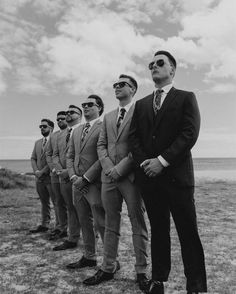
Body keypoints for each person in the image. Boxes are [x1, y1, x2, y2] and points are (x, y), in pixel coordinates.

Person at [129, 50, 207, 294]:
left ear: (172, 70)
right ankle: (158, 280)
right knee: (159, 231)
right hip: (149, 180)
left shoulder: (185, 98)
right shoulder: (141, 105)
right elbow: (134, 140)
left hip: (178, 178)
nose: (154, 66)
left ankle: (195, 286)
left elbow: (189, 134)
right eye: (151, 64)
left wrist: (161, 161)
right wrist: (146, 164)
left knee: (188, 233)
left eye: (159, 63)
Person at [83, 75, 149, 292]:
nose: (117, 88)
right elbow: (101, 144)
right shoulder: (109, 116)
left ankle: (141, 271)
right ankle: (108, 266)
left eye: (121, 85)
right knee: (109, 223)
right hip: (107, 178)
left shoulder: (141, 112)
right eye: (115, 85)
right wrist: (108, 166)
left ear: (133, 89)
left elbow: (141, 144)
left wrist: (120, 168)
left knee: (137, 221)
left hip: (130, 177)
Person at [66, 95, 105, 269]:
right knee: (84, 221)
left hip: (94, 182)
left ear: (99, 108)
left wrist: (86, 178)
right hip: (76, 183)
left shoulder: (104, 126)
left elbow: (104, 155)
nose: (86, 107)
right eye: (84, 105)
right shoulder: (76, 130)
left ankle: (112, 259)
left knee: (101, 222)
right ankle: (90, 256)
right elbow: (70, 156)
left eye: (90, 104)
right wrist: (73, 176)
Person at [52, 105, 82, 251]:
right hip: (63, 177)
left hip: (78, 176)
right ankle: (72, 237)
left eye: (71, 112)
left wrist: (70, 172)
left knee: (86, 210)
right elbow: (55, 154)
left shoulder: (83, 130)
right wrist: (60, 170)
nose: (68, 114)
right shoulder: (61, 135)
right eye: (67, 112)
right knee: (70, 207)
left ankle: (93, 235)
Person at [45, 111, 68, 240]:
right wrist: (54, 168)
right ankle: (61, 227)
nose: (59, 121)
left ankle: (72, 229)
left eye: (62, 118)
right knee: (58, 201)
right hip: (54, 174)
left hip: (68, 172)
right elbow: (49, 153)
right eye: (58, 119)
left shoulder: (72, 132)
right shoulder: (53, 136)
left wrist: (66, 169)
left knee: (71, 203)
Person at [30, 118, 55, 233]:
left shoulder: (55, 141)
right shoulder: (37, 142)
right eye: (40, 127)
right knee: (44, 202)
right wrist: (36, 172)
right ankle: (45, 224)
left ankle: (61, 227)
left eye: (44, 126)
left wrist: (43, 171)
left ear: (51, 128)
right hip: (39, 179)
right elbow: (33, 158)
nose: (42, 128)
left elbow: (55, 159)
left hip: (51, 177)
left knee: (57, 203)